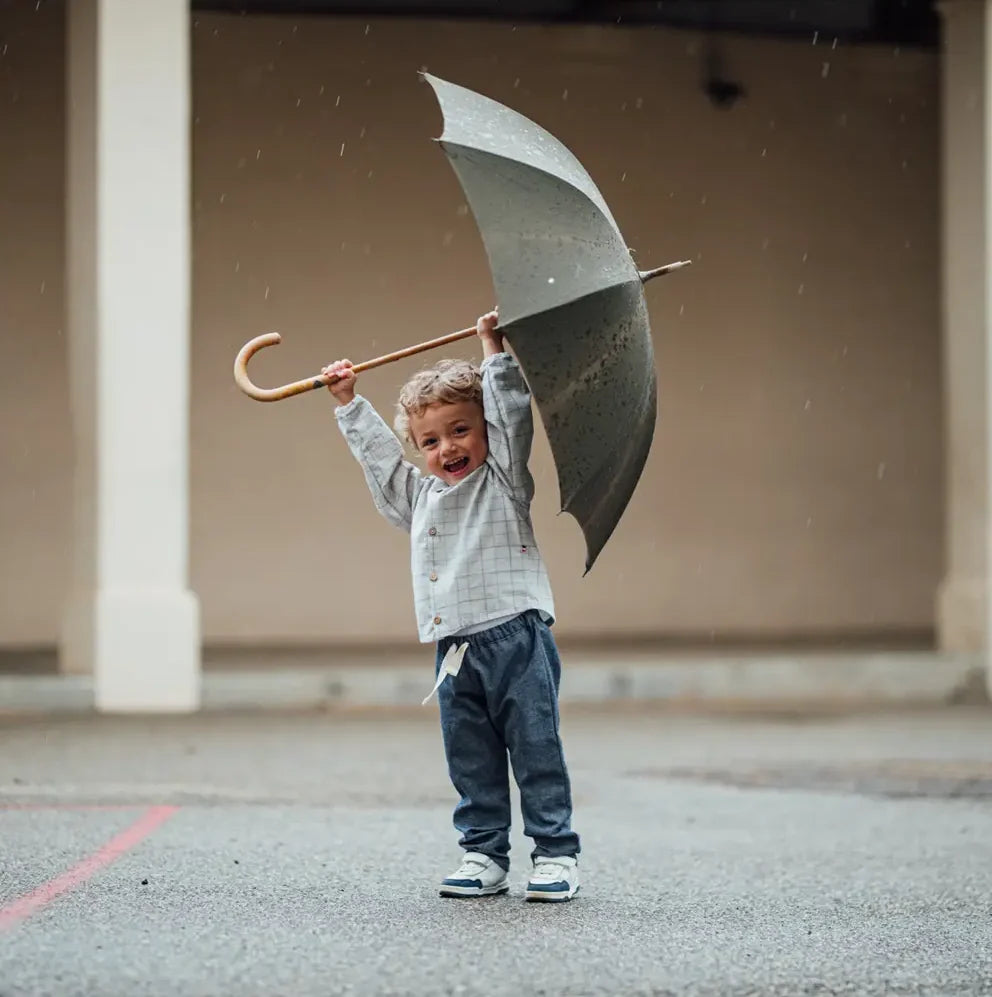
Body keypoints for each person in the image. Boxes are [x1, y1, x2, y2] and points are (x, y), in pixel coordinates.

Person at [323, 308, 581, 902]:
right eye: (431, 441)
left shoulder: (504, 478)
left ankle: (556, 854)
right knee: (471, 759)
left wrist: (492, 350)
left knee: (536, 749)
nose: (449, 447)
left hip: (516, 635)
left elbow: (513, 420)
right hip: (455, 649)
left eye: (462, 430)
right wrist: (347, 402)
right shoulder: (422, 499)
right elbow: (384, 469)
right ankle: (484, 852)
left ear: (484, 430)